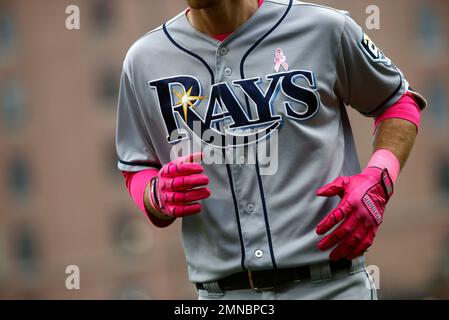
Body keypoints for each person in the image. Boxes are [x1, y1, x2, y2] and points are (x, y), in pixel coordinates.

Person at [116, 0, 426, 300]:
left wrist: (379, 177)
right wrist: (154, 195)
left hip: (333, 286)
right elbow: (136, 165)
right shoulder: (144, 60)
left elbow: (397, 101)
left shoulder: (323, 28)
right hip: (222, 295)